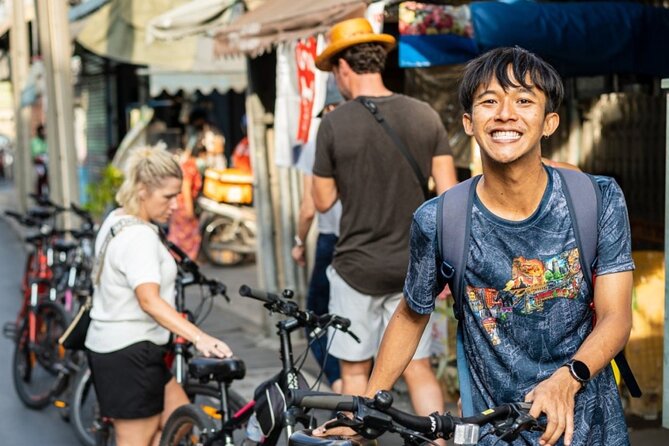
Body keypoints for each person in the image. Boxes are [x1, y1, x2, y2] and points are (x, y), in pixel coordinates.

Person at [348, 47, 634, 446]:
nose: (505, 114)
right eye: (489, 101)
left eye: (523, 100)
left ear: (549, 122)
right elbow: (412, 316)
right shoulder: (440, 219)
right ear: (468, 122)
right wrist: (365, 409)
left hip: (594, 431)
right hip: (495, 433)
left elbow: (616, 317)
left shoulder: (598, 200)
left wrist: (568, 379)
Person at [311, 17, 458, 416]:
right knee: (417, 367)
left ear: (343, 67)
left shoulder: (334, 123)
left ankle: (355, 441)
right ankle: (437, 445)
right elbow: (449, 197)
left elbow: (322, 201)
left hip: (356, 267)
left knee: (356, 372)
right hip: (413, 269)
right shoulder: (424, 114)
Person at [85, 146, 233, 446]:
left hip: (133, 350)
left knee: (180, 423)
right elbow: (149, 300)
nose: (176, 204)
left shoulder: (117, 219)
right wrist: (199, 337)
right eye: (167, 196)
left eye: (178, 194)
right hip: (127, 355)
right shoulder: (139, 237)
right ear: (142, 190)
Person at [292, 78, 344, 393]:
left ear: (328, 108)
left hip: (332, 242)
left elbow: (309, 207)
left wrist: (299, 242)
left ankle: (339, 379)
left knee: (314, 317)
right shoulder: (370, 132)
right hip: (376, 242)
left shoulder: (319, 141)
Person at [168, 145, 204, 260]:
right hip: (183, 207)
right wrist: (189, 208)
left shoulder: (186, 165)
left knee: (177, 234)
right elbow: (186, 188)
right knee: (187, 236)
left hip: (179, 206)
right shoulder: (190, 166)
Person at [30, 124, 48, 196]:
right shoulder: (35, 141)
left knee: (46, 178)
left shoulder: (45, 140)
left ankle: (44, 193)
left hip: (45, 160)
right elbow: (36, 153)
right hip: (39, 162)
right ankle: (39, 194)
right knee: (40, 178)